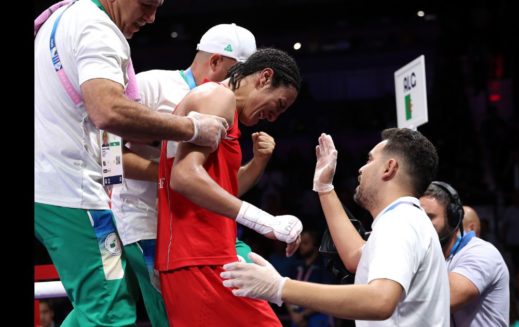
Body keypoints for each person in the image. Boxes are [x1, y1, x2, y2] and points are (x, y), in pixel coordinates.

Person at [34, 0, 228, 325]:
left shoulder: (65, 16)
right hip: (74, 194)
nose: (151, 18)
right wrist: (191, 128)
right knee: (109, 310)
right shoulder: (97, 28)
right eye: (146, 5)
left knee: (107, 301)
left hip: (66, 190)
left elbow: (107, 141)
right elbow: (107, 110)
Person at [110, 23, 260, 326]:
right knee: (174, 317)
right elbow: (109, 159)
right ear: (216, 61)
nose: (244, 84)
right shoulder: (152, 85)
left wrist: (260, 160)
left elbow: (223, 188)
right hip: (149, 225)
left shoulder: (227, 105)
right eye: (239, 73)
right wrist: (169, 174)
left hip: (204, 232)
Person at [222, 129, 450, 326]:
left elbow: (380, 300)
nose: (361, 168)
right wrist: (324, 187)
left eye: (370, 160)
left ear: (389, 168)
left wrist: (280, 287)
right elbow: (356, 257)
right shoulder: (408, 219)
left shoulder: (401, 222)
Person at [156, 47, 304, 326]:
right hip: (197, 256)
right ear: (264, 77)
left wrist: (258, 162)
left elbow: (219, 192)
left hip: (209, 254)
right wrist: (264, 221)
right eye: (280, 104)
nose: (274, 117)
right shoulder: (217, 96)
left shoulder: (224, 107)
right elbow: (184, 177)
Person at [420, 181, 509, 327]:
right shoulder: (433, 255)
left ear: (453, 219)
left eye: (430, 217)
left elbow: (444, 299)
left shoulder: (481, 253)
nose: (422, 225)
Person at [286, 230, 333, 327]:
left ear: (315, 245)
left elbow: (327, 296)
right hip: (296, 315)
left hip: (318, 316)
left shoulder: (323, 267)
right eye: (300, 243)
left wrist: (303, 315)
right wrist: (294, 314)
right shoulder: (295, 265)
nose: (301, 247)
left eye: (305, 243)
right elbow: (285, 287)